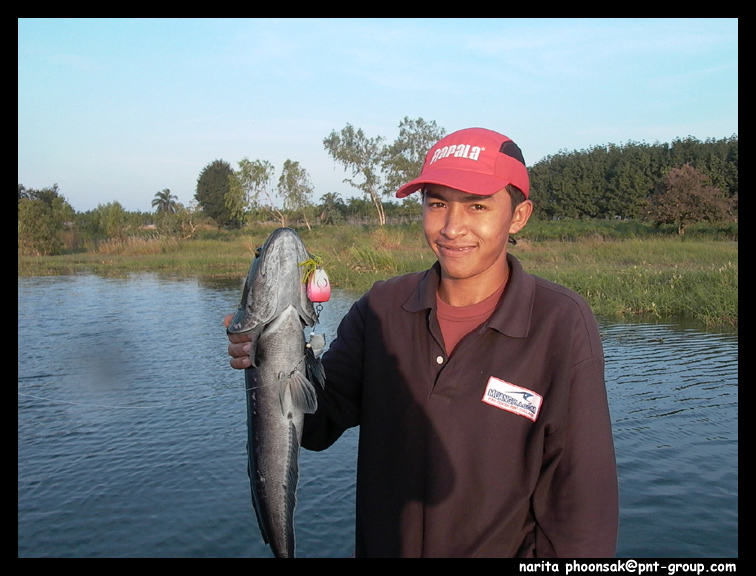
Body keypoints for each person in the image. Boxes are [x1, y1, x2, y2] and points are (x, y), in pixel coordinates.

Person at [225, 127, 619, 558]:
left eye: (478, 206)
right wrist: (270, 358)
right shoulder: (383, 307)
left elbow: (581, 503)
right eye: (437, 203)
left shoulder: (560, 323)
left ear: (519, 215)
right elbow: (315, 424)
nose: (452, 227)